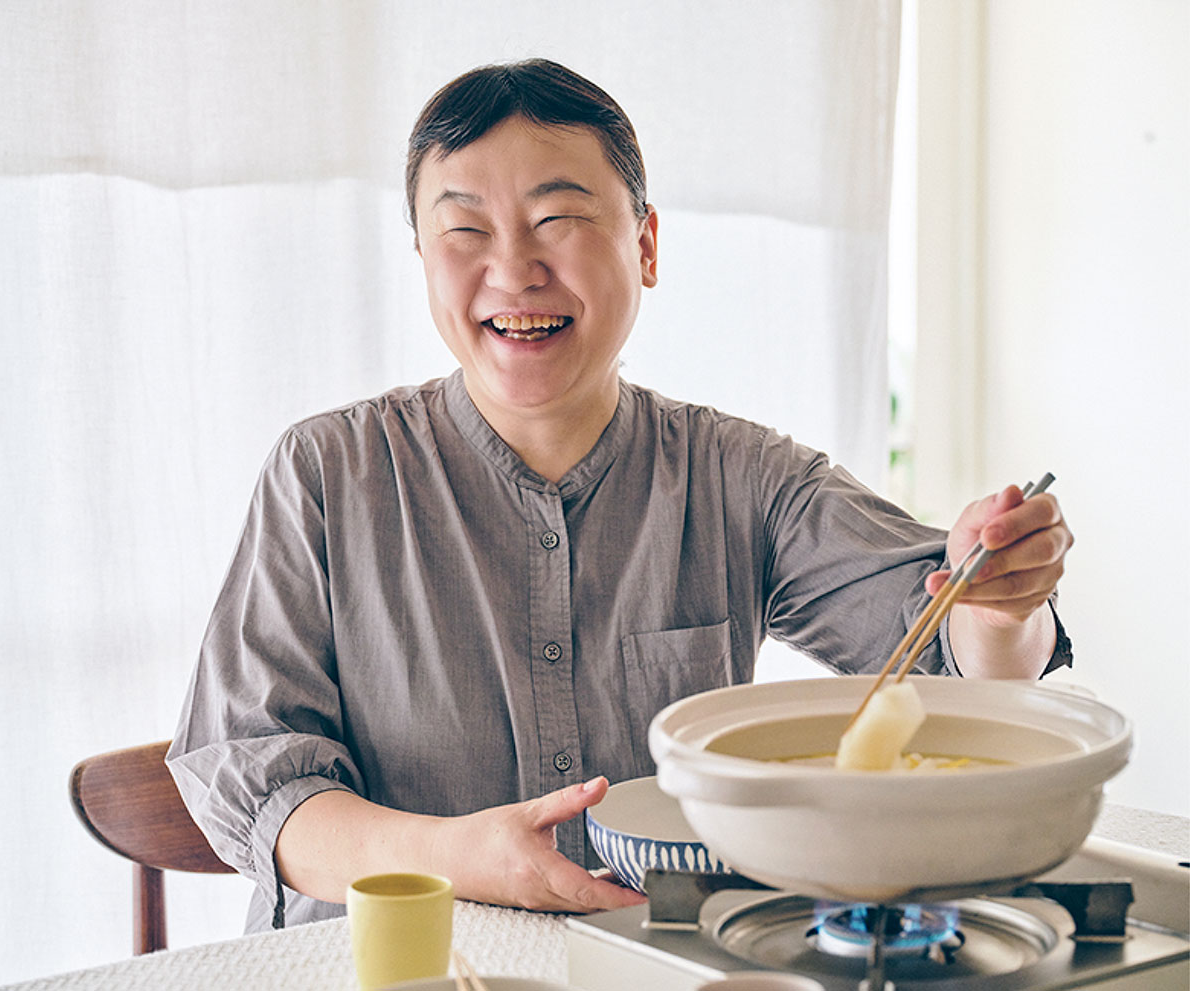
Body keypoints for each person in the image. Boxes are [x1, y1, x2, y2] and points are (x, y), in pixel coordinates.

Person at [167, 58, 1073, 932]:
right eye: (466, 230)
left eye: (557, 218)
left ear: (644, 244)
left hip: (649, 958)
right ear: (422, 256)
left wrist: (1001, 604)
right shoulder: (327, 471)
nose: (514, 269)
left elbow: (946, 655)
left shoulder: (745, 476)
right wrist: (464, 855)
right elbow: (252, 779)